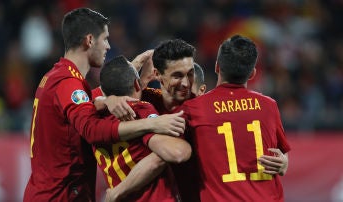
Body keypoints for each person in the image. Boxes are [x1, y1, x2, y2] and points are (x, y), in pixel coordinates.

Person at [23, 8, 186, 202]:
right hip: (60, 196)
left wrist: (133, 79)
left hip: (49, 192)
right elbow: (92, 129)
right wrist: (152, 124)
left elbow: (85, 103)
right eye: (105, 39)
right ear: (90, 40)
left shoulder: (56, 77)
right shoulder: (67, 83)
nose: (108, 46)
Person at [177, 35, 291, 201]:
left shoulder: (194, 109)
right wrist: (284, 163)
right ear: (252, 73)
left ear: (217, 67)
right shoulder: (269, 106)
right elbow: (281, 153)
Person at [94, 55, 191, 201]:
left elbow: (94, 98)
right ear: (136, 84)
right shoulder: (140, 109)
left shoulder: (92, 115)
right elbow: (165, 156)